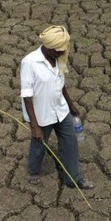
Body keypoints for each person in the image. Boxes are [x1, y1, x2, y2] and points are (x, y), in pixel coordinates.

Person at [19, 25, 94, 189]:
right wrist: (34, 125)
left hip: (60, 110)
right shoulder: (30, 62)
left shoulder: (59, 58)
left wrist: (71, 104)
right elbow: (27, 94)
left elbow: (60, 83)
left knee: (70, 142)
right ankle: (33, 172)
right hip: (41, 114)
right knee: (39, 145)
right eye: (58, 50)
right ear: (48, 47)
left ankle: (74, 179)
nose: (62, 53)